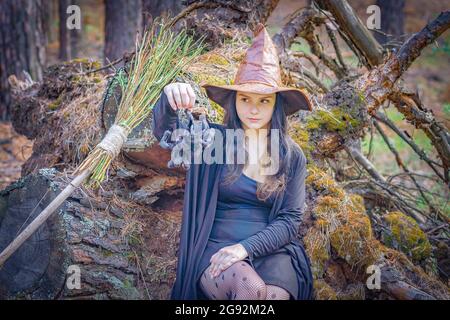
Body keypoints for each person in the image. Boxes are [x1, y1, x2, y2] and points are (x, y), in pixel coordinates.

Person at [152, 23, 314, 300]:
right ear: (233, 101)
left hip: (271, 250)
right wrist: (169, 98)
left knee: (275, 298)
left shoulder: (291, 154)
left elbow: (289, 221)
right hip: (216, 246)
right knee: (250, 291)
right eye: (245, 98)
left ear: (276, 104)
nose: (253, 109)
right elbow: (167, 132)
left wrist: (245, 248)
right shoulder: (212, 140)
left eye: (263, 101)